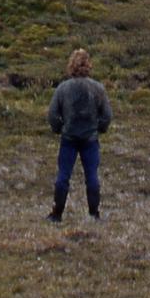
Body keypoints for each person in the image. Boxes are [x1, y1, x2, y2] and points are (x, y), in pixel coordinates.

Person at [46, 48, 112, 221]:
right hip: (90, 139)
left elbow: (52, 114)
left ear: (71, 66)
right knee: (92, 176)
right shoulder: (98, 88)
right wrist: (100, 128)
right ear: (88, 65)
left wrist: (59, 128)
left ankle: (57, 214)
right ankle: (93, 214)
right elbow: (107, 115)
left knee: (63, 176)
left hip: (68, 138)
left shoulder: (63, 88)